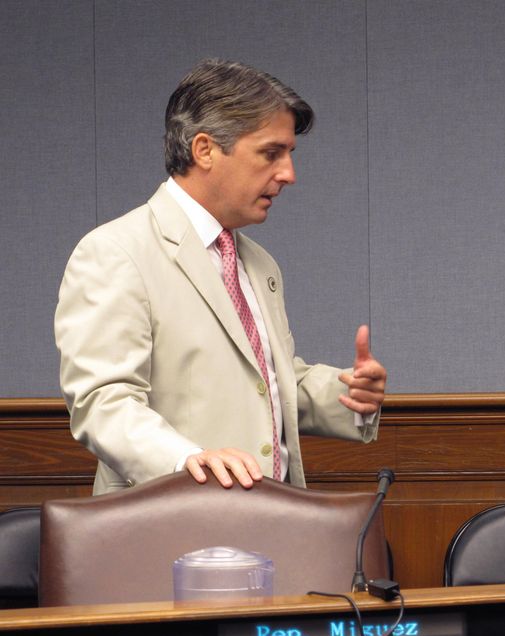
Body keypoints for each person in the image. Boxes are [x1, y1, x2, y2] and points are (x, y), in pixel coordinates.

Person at [54, 59, 386, 495]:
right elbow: (103, 404)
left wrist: (349, 395)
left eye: (289, 154)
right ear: (205, 149)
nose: (289, 174)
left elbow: (264, 381)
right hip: (169, 530)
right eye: (271, 153)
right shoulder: (115, 252)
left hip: (273, 521)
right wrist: (185, 461)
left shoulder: (259, 263)